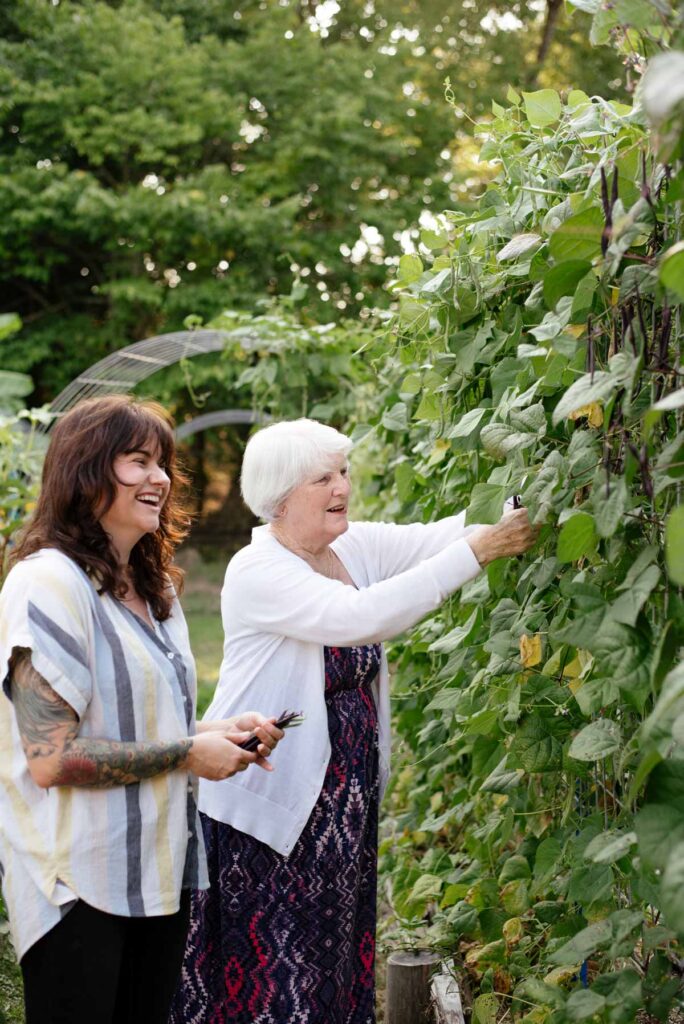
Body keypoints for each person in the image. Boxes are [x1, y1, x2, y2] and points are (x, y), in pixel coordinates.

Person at [170, 417, 538, 1024]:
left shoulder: (350, 546)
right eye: (323, 477)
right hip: (271, 807)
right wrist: (479, 552)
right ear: (282, 497)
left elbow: (439, 536)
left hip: (342, 805)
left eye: (342, 471)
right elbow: (361, 617)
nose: (342, 485)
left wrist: (518, 502)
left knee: (333, 962)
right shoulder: (258, 571)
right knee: (277, 975)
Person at [0, 395, 283, 1024]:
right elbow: (51, 758)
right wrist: (188, 752)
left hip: (158, 872)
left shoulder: (150, 589)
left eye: (163, 464)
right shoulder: (47, 584)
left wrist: (218, 732)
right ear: (87, 472)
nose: (159, 478)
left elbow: (140, 725)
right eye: (138, 461)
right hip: (78, 884)